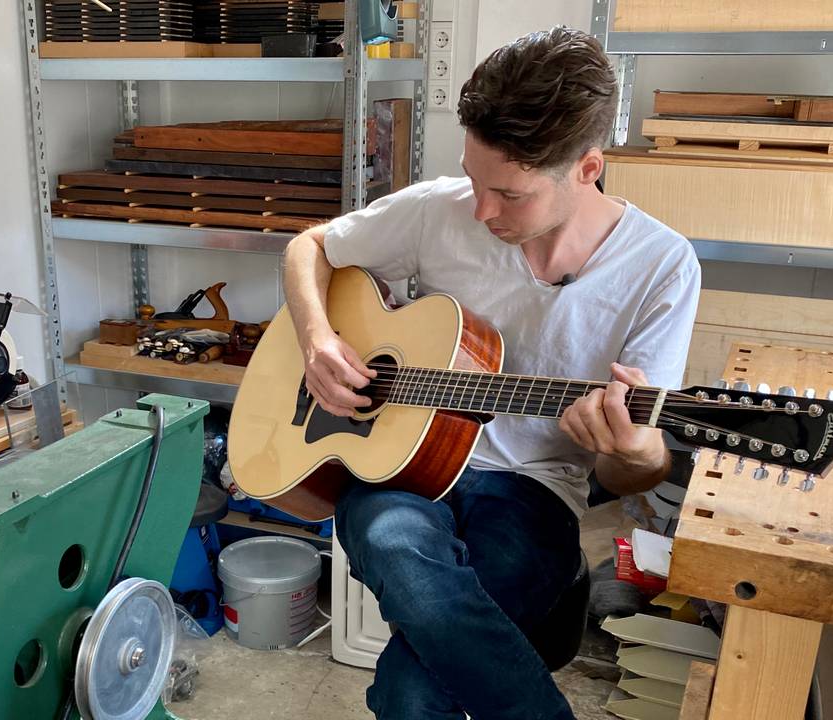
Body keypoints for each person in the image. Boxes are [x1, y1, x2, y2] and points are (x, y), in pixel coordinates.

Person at [280, 26, 701, 720]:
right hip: (398, 470)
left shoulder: (661, 266)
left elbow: (637, 471)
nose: (481, 210)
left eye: (509, 193)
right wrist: (317, 339)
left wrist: (629, 451)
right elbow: (310, 247)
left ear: (587, 168)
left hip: (533, 490)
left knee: (412, 694)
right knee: (391, 540)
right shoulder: (437, 210)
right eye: (474, 180)